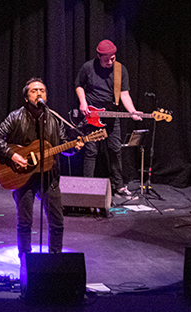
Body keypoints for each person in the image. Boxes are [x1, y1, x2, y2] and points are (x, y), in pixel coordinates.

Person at [0, 78, 82, 255]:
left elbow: (63, 146)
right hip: (22, 176)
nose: (39, 93)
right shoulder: (15, 117)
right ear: (26, 97)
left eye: (42, 90)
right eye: (34, 91)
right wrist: (13, 155)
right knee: (25, 223)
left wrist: (74, 148)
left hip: (49, 176)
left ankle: (55, 260)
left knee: (57, 223)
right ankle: (25, 261)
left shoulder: (54, 119)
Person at [75, 39, 142, 196]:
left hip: (111, 115)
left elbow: (124, 94)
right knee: (91, 151)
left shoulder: (120, 70)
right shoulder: (88, 67)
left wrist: (132, 111)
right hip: (91, 114)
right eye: (107, 59)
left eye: (113, 58)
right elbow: (79, 85)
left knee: (115, 149)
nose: (111, 61)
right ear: (99, 56)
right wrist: (83, 102)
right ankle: (87, 186)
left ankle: (119, 185)